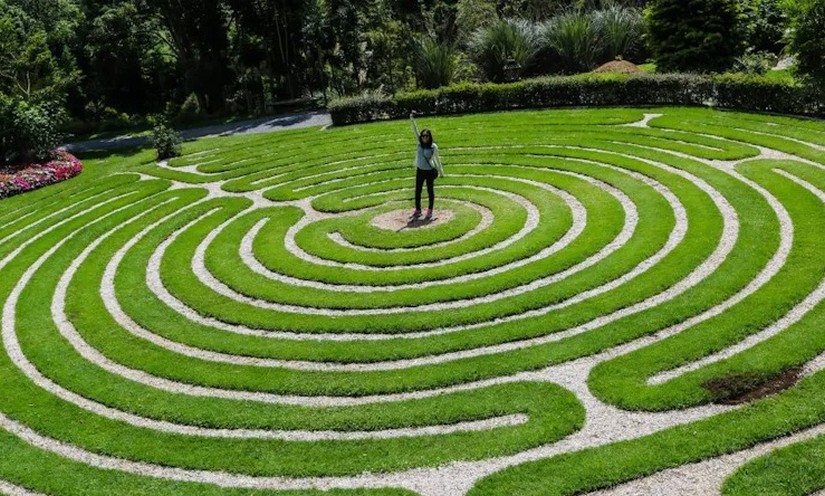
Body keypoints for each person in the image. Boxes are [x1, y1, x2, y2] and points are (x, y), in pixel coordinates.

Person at [410, 112, 445, 220]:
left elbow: (437, 160)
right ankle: (418, 210)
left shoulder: (433, 147)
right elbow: (415, 130)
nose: (424, 137)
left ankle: (430, 211)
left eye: (427, 136)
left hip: (429, 171)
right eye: (423, 136)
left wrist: (442, 172)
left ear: (429, 137)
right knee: (418, 191)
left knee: (430, 191)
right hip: (420, 171)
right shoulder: (419, 144)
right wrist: (412, 119)